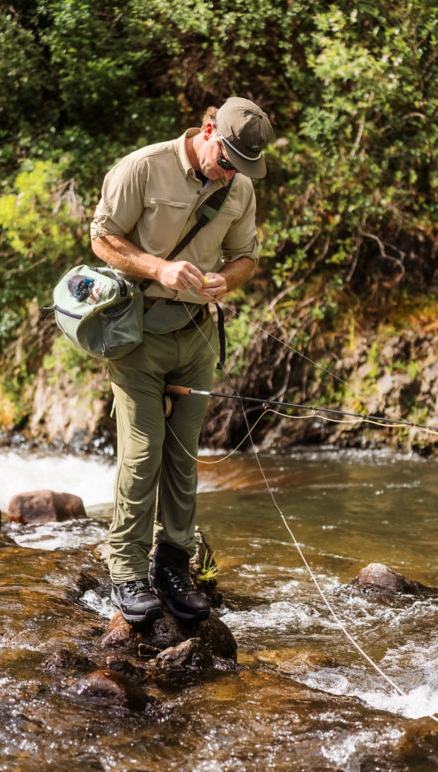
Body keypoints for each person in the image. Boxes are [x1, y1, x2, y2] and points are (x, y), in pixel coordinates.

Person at [90, 97, 273, 624]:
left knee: (182, 457)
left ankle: (173, 564)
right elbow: (102, 239)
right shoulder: (142, 167)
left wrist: (225, 280)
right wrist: (158, 269)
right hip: (136, 335)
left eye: (244, 164)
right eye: (228, 156)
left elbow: (245, 258)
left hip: (196, 340)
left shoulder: (240, 186)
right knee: (144, 453)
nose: (232, 170)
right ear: (208, 126)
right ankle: (126, 570)